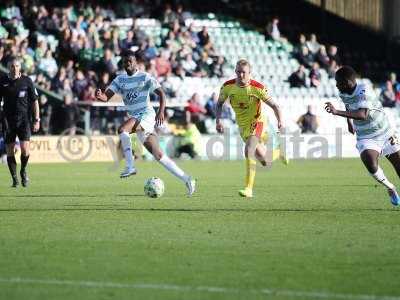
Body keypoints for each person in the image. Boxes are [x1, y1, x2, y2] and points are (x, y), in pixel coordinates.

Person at [95, 51, 195, 196]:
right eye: (124, 61)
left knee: (123, 129)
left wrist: (161, 112)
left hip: (146, 114)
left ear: (136, 62)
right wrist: (100, 96)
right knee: (159, 155)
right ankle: (187, 179)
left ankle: (130, 166)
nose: (127, 63)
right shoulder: (119, 80)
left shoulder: (144, 77)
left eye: (130, 61)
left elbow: (161, 93)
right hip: (136, 117)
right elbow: (106, 97)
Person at [325, 66, 400, 206]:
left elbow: (363, 114)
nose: (336, 85)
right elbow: (348, 105)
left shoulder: (364, 90)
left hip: (384, 132)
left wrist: (336, 112)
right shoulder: (343, 93)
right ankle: (390, 187)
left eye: (338, 82)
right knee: (370, 162)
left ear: (347, 82)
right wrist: (349, 122)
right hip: (366, 137)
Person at [216, 59, 285, 198]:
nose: (241, 75)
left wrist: (280, 121)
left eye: (244, 72)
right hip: (242, 126)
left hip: (257, 122)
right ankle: (280, 152)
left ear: (249, 73)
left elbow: (275, 106)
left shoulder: (257, 88)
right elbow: (219, 104)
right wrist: (218, 121)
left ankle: (248, 189)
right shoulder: (227, 87)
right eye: (239, 72)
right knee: (266, 161)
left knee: (249, 150)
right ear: (235, 72)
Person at [0, 58, 40, 187]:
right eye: (12, 66)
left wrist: (37, 119)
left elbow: (35, 102)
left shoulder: (27, 81)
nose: (15, 68)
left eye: (17, 66)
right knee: (10, 150)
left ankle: (23, 171)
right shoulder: (2, 81)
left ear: (20, 67)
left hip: (24, 119)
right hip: (8, 120)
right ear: (8, 68)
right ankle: (15, 179)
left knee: (25, 149)